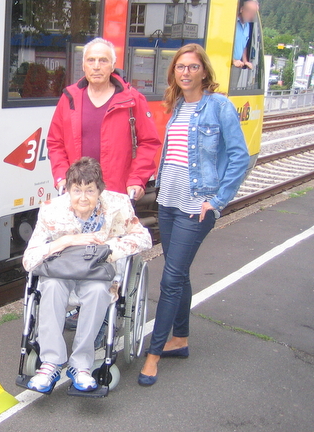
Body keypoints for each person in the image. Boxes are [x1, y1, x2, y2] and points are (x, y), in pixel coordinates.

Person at [139, 44, 249, 386]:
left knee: (170, 278)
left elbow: (239, 156)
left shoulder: (218, 106)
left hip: (195, 206)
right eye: (180, 67)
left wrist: (216, 200)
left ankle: (154, 354)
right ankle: (180, 339)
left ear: (204, 72)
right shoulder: (176, 107)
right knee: (179, 273)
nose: (185, 72)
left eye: (192, 67)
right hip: (169, 202)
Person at [22, 157, 152, 393]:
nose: (83, 197)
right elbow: (29, 260)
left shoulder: (118, 205)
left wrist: (108, 250)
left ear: (99, 190)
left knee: (99, 290)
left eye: (90, 190)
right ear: (68, 190)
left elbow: (144, 238)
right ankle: (51, 361)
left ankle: (80, 364)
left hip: (97, 274)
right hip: (62, 274)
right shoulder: (52, 211)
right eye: (77, 190)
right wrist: (64, 242)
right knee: (50, 286)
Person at [47, 37, 162, 201]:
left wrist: (137, 179)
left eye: (103, 61)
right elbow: (55, 142)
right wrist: (61, 176)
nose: (96, 66)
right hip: (78, 193)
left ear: (113, 66)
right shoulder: (69, 98)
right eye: (91, 60)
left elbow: (149, 142)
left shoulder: (133, 100)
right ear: (83, 65)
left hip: (116, 193)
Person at [233, 0, 258, 70]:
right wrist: (233, 60)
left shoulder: (247, 25)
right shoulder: (232, 23)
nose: (252, 16)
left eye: (254, 13)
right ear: (242, 10)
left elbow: (244, 46)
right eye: (250, 12)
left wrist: (245, 61)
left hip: (235, 66)